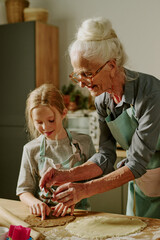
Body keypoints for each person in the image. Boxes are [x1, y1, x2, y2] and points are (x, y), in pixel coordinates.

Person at [40, 17, 160, 219]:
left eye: (87, 73)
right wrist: (66, 175)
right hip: (142, 184)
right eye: (77, 75)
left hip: (141, 170)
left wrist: (84, 190)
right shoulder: (103, 100)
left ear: (111, 66)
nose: (81, 83)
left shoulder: (150, 94)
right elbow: (106, 156)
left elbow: (137, 162)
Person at [16, 83, 96, 220]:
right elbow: (23, 190)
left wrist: (77, 196)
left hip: (80, 215)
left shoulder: (84, 142)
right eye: (39, 122)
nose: (45, 127)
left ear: (63, 113)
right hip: (46, 217)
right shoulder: (30, 149)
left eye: (51, 120)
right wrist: (35, 203)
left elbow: (98, 181)